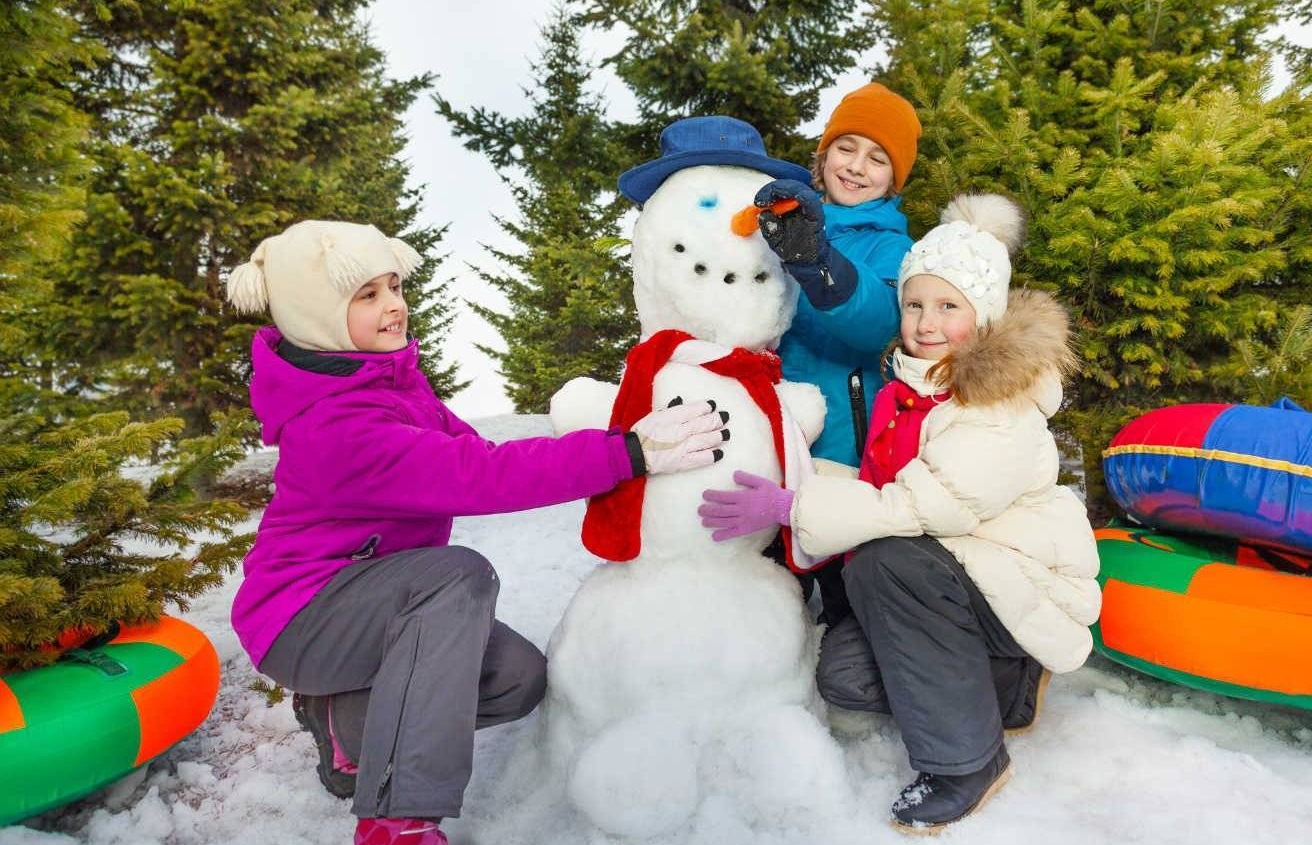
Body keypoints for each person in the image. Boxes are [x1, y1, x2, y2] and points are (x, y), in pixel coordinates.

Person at [225, 220, 728, 845]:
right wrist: (627, 453)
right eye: (367, 296)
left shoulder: (386, 380)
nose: (393, 306)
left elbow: (479, 450)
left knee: (516, 678)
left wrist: (608, 444)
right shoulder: (334, 426)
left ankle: (342, 721)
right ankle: (397, 818)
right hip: (302, 617)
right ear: (318, 317)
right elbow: (478, 475)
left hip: (377, 604)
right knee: (454, 577)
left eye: (394, 286)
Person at [699, 195, 1102, 833]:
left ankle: (967, 763)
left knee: (884, 564)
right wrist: (793, 475)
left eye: (948, 307)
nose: (926, 321)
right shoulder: (907, 389)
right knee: (848, 679)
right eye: (915, 304)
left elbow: (919, 506)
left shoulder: (997, 405)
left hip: (1017, 583)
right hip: (966, 582)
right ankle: (1007, 687)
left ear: (986, 316)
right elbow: (879, 484)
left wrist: (794, 504)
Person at [747, 81, 923, 623]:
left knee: (840, 584)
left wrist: (817, 261)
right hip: (771, 434)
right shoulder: (781, 218)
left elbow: (878, 324)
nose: (856, 166)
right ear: (823, 156)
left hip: (841, 448)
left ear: (893, 180)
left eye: (877, 159)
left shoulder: (892, 246)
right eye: (846, 148)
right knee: (767, 580)